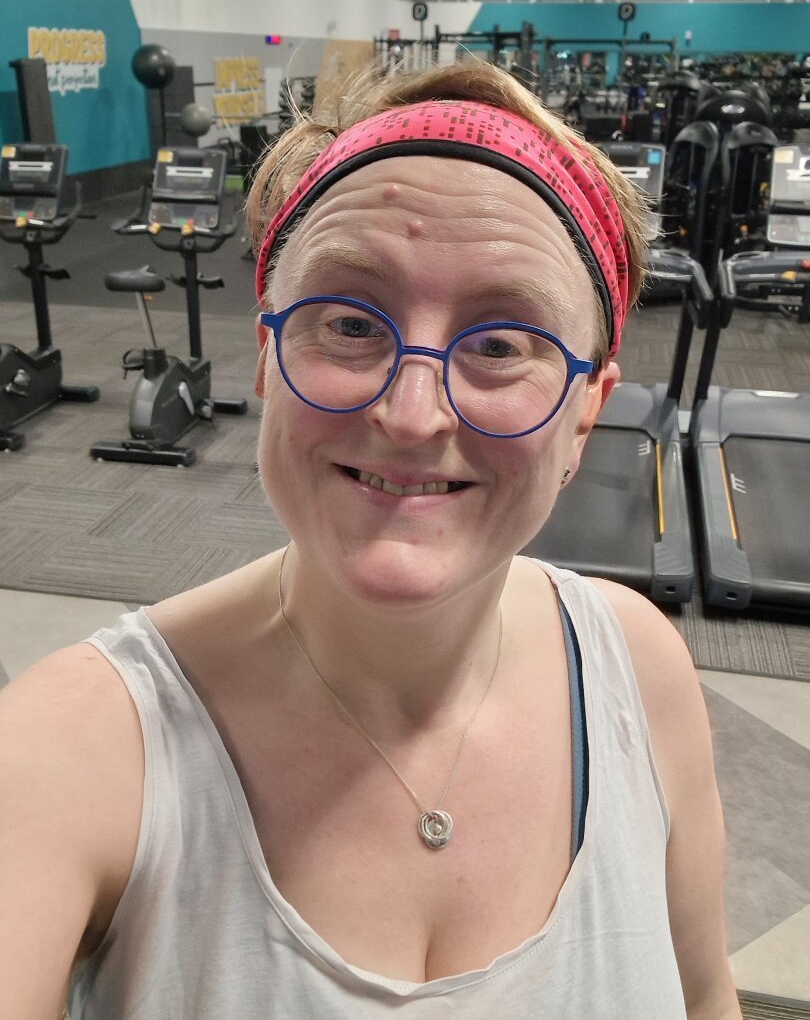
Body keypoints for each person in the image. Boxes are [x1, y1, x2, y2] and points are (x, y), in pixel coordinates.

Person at [0, 61, 742, 1020]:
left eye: (501, 344)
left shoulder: (639, 668)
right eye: (350, 322)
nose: (411, 412)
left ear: (585, 415)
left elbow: (708, 996)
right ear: (267, 357)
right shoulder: (75, 743)